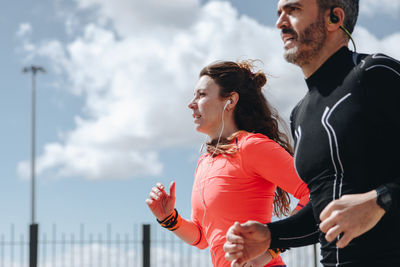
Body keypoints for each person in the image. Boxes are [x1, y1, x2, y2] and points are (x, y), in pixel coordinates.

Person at [223, 0, 400, 266]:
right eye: (279, 12)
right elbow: (322, 210)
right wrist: (272, 235)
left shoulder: (375, 74)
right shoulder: (300, 114)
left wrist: (381, 199)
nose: (280, 22)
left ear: (334, 18)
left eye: (293, 10)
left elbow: (368, 203)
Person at [146, 60, 310, 267]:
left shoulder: (252, 146)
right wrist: (169, 218)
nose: (191, 103)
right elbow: (203, 238)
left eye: (202, 95)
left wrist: (269, 249)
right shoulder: (205, 162)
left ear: (230, 101)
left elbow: (314, 191)